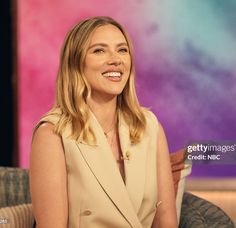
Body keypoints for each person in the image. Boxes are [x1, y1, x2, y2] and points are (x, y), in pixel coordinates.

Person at [30, 16, 178, 228]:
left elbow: (166, 222)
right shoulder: (52, 134)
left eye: (122, 50)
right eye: (99, 50)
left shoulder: (149, 126)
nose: (116, 59)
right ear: (76, 63)